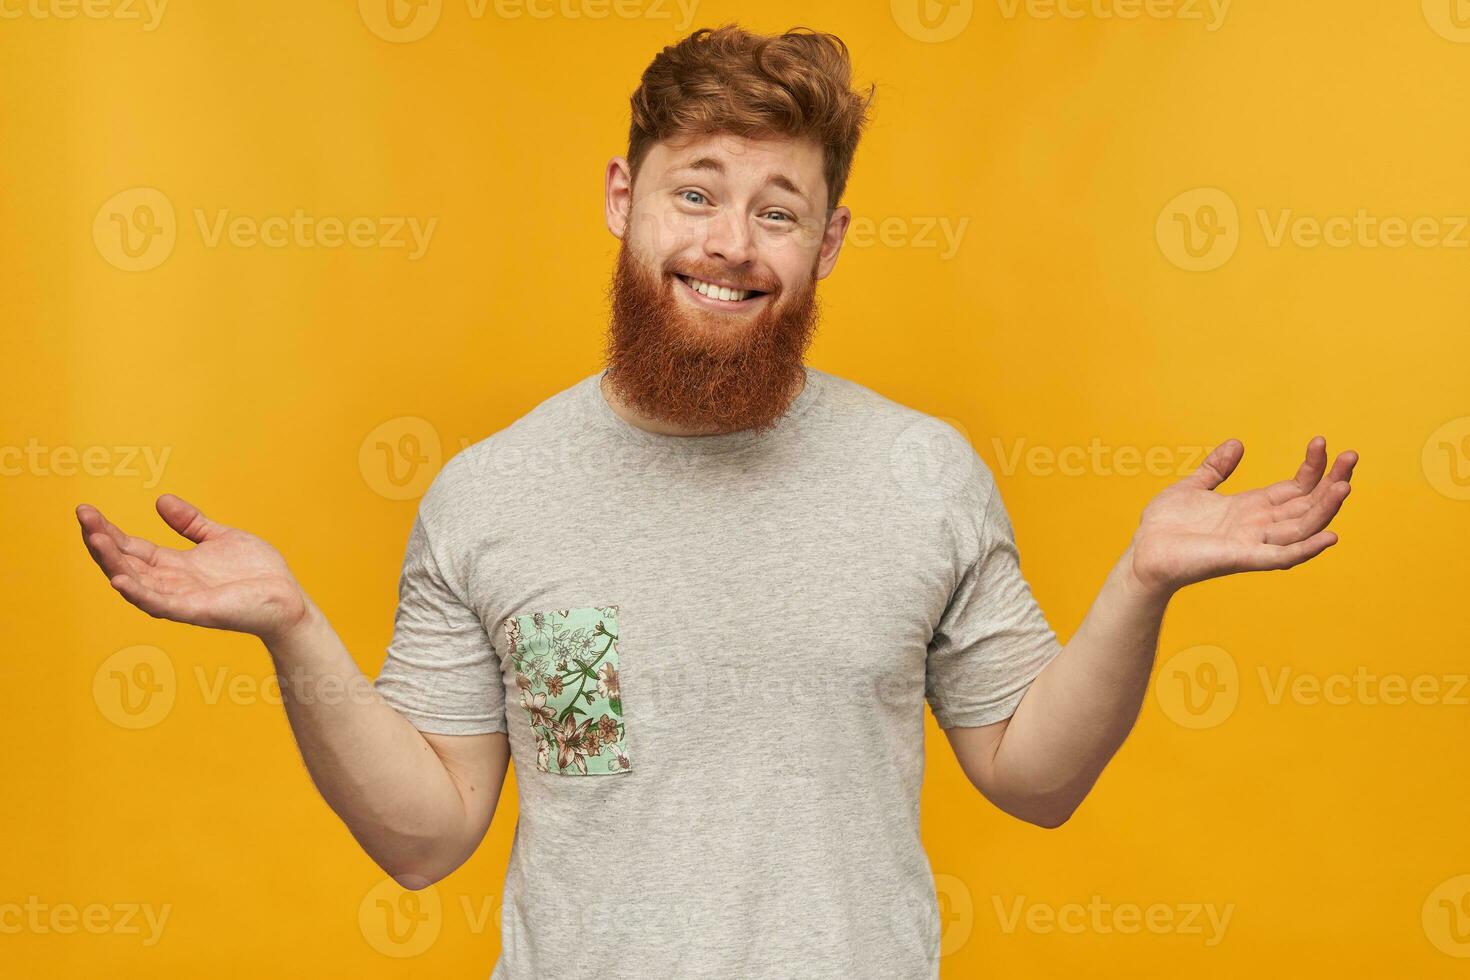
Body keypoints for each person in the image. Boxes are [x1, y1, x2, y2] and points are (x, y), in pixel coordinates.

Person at [74, 23, 1357, 979]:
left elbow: (1037, 776)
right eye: (696, 192)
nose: (731, 242)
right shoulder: (493, 496)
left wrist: (1139, 585)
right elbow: (426, 838)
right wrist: (295, 629)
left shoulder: (922, 475)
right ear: (624, 200)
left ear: (830, 243)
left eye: (777, 210)